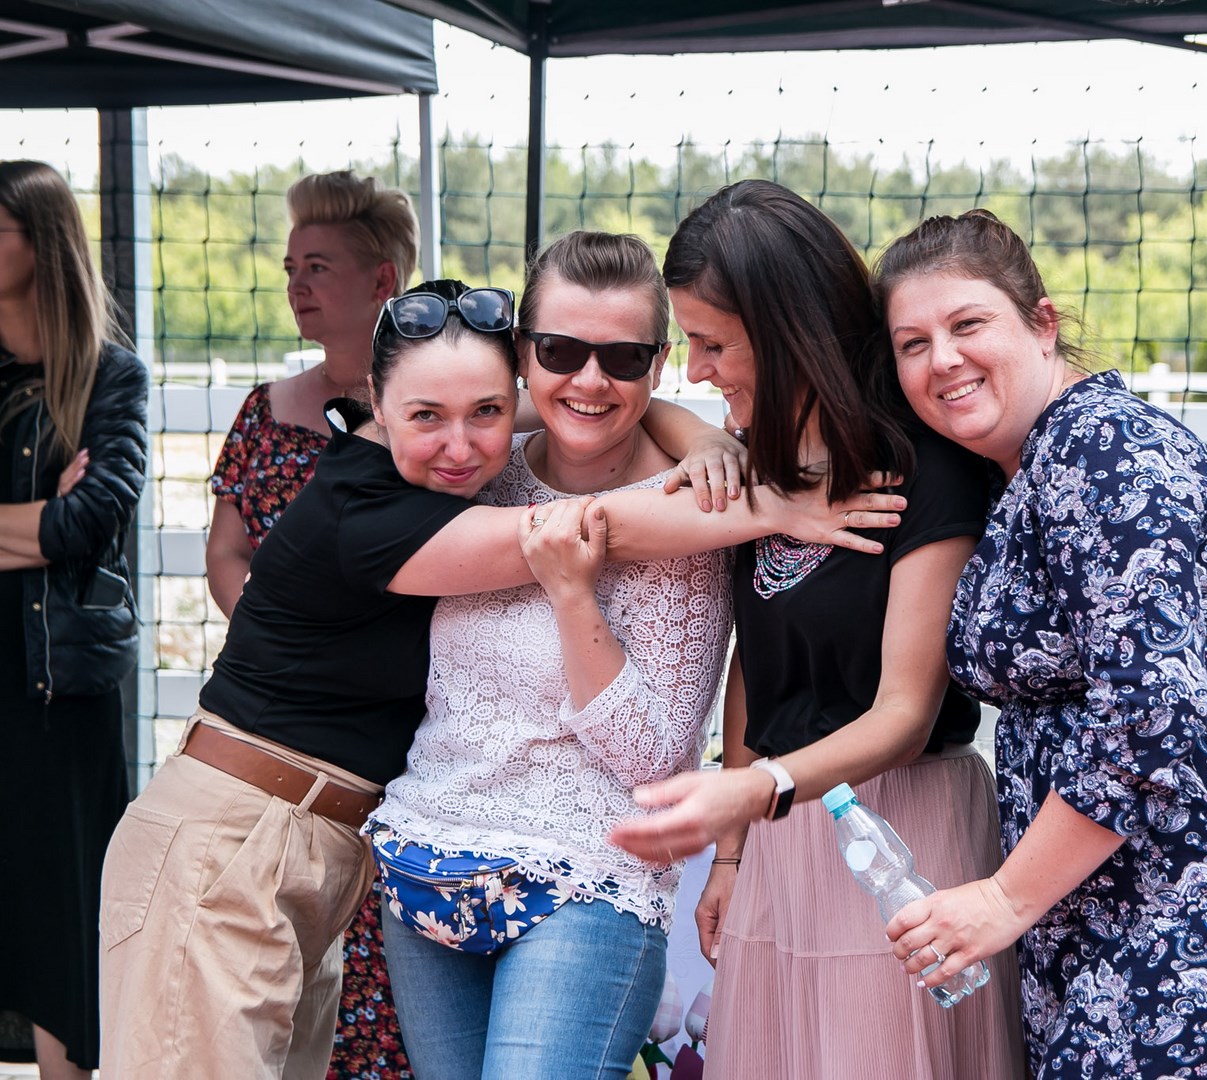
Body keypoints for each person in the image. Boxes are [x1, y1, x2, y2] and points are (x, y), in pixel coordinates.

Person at [100, 277, 900, 1080]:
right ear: (376, 400)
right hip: (235, 841)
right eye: (426, 417)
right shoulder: (364, 509)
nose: (460, 445)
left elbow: (579, 400)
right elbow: (583, 530)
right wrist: (774, 505)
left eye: (486, 411)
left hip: (310, 844)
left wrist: (690, 431)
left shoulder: (444, 458)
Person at [870, 209, 1207, 1079]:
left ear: (1043, 323)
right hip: (1105, 908)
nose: (942, 359)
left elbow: (1148, 714)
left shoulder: (1106, 448)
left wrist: (1004, 898)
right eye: (913, 343)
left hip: (1205, 905)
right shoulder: (1024, 468)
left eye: (968, 324)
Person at [609, 179, 1025, 1078]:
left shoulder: (924, 468)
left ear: (786, 332)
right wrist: (732, 854)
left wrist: (749, 793)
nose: (695, 370)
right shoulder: (756, 466)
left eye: (713, 343)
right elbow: (753, 665)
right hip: (780, 834)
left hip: (899, 826)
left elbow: (904, 715)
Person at [368, 232, 730, 1079]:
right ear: (525, 353)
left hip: (586, 883)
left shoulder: (690, 510)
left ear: (660, 362)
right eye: (562, 351)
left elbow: (656, 757)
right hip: (428, 867)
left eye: (624, 357)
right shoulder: (476, 468)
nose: (591, 380)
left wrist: (574, 596)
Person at [204, 167, 420, 1080]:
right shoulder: (263, 409)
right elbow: (226, 553)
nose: (296, 284)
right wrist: (290, 633)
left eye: (318, 266)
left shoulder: (437, 419)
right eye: (291, 267)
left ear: (382, 280)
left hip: (393, 748)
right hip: (276, 730)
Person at [0, 159, 145, 1080]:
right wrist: (36, 521)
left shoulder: (108, 377)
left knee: (66, 915)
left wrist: (54, 522)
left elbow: (85, 524)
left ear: (42, 241)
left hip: (56, 687)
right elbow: (52, 528)